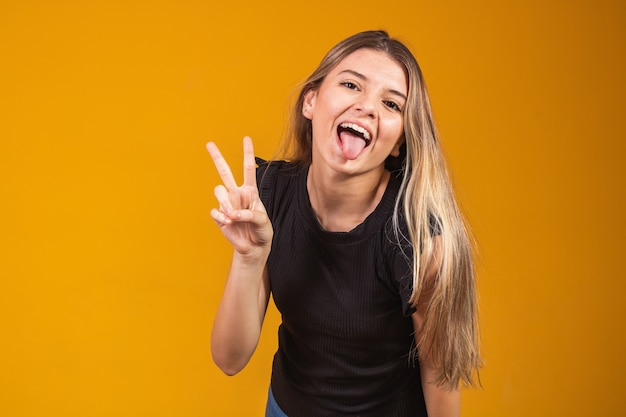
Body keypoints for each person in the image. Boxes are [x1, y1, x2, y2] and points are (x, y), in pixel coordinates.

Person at [206, 30, 482, 417]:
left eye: (391, 104)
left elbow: (439, 374)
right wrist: (250, 258)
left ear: (401, 140)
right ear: (311, 101)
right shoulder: (268, 195)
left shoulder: (418, 238)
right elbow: (229, 359)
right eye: (351, 84)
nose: (367, 107)